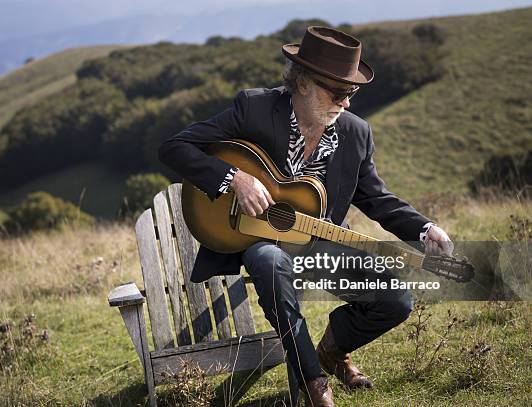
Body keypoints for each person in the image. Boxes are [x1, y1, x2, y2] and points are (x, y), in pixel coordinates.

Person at [159, 26, 453, 407]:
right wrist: (236, 179)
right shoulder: (255, 109)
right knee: (268, 261)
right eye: (338, 93)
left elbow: (377, 199)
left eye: (351, 93)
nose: (346, 104)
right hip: (259, 239)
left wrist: (425, 227)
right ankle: (315, 383)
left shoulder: (356, 133)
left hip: (323, 242)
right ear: (303, 83)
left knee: (396, 300)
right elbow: (174, 147)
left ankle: (334, 349)